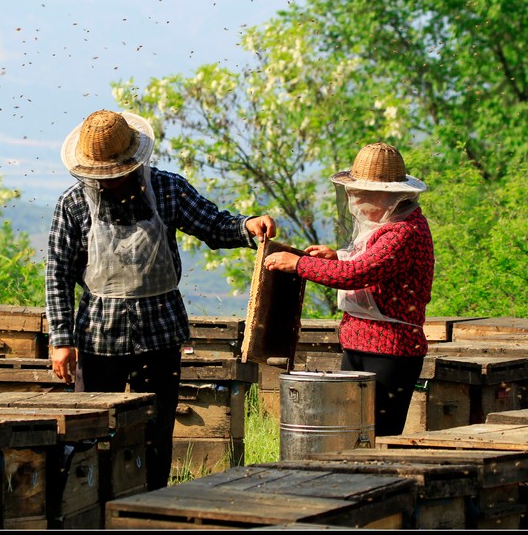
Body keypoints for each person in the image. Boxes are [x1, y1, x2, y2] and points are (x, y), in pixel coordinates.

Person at [46, 109, 276, 490]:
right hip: (98, 338)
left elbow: (212, 223)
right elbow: (58, 274)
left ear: (133, 160)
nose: (111, 180)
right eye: (103, 174)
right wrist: (61, 339)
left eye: (117, 172)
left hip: (160, 334)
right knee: (88, 433)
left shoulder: (167, 189)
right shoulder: (73, 204)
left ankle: (151, 506)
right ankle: (91, 508)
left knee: (155, 436)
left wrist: (246, 225)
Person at [264, 142, 433, 437]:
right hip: (358, 343)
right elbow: (367, 261)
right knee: (349, 436)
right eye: (354, 194)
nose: (355, 203)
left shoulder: (405, 232)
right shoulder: (389, 225)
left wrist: (299, 264)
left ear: (389, 196)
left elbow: (359, 273)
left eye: (362, 195)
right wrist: (336, 257)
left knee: (376, 438)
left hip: (390, 352)